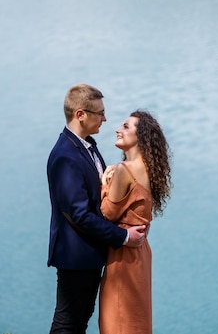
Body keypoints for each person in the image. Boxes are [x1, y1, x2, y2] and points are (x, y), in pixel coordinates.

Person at [47, 84, 147, 334]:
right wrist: (124, 237)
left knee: (79, 320)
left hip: (89, 253)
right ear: (80, 115)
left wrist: (107, 177)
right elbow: (78, 214)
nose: (105, 118)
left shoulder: (86, 146)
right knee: (68, 323)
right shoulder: (65, 156)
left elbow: (92, 196)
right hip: (76, 256)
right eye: (99, 113)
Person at [98, 109, 172, 334]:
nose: (118, 130)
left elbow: (107, 214)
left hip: (123, 255)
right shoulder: (148, 170)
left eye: (126, 126)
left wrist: (104, 184)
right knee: (135, 320)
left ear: (140, 136)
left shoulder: (124, 169)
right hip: (139, 253)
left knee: (117, 321)